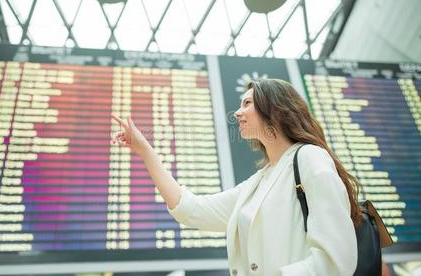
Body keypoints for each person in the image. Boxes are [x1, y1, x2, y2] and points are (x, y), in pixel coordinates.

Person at [111, 79, 361, 276]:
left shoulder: (309, 157)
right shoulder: (257, 183)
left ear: (275, 109)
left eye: (247, 104)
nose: (237, 113)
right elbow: (191, 209)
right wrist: (145, 149)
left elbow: (337, 259)